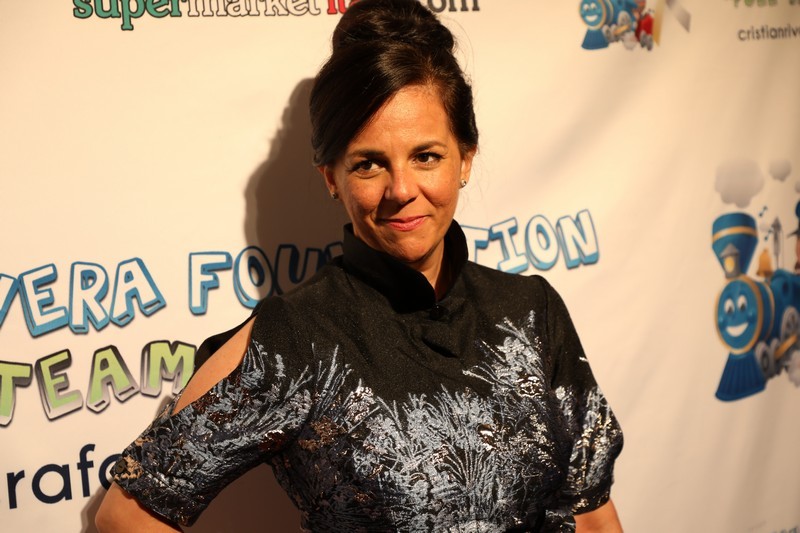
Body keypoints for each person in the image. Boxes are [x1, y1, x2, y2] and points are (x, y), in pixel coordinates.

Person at [96, 0, 624, 531]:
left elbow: (593, 518)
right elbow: (125, 516)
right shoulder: (298, 337)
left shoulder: (532, 311)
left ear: (465, 158)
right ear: (332, 178)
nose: (401, 190)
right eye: (369, 164)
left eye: (426, 156)